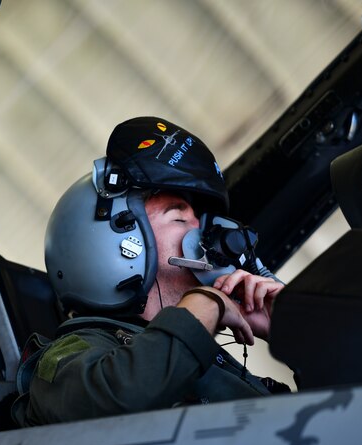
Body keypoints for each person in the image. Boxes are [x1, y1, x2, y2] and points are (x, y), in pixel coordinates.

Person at [20, 116, 287, 426]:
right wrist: (206, 302)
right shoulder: (68, 356)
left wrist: (293, 332)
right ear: (119, 244)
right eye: (179, 219)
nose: (203, 232)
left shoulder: (201, 355)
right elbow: (118, 400)